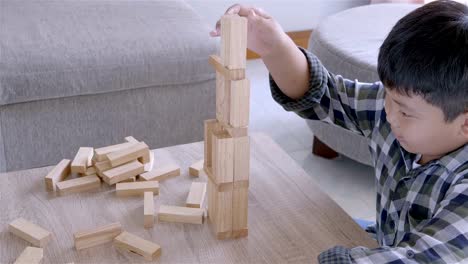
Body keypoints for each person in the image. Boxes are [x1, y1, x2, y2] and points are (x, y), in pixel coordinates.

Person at [210, 1, 468, 263]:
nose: (389, 113)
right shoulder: (393, 112)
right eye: (388, 95)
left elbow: (421, 258)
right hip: (383, 239)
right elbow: (324, 95)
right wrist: (274, 46)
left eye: (405, 111)